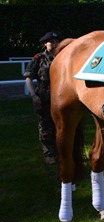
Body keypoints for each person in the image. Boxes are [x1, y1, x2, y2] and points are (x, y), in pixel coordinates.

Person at [24, 31, 60, 164]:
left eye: (57, 41)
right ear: (45, 44)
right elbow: (28, 77)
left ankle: (60, 151)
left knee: (60, 125)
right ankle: (49, 153)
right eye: (52, 41)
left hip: (60, 97)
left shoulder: (62, 57)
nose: (55, 43)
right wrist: (33, 95)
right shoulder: (38, 58)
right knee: (45, 126)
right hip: (44, 97)